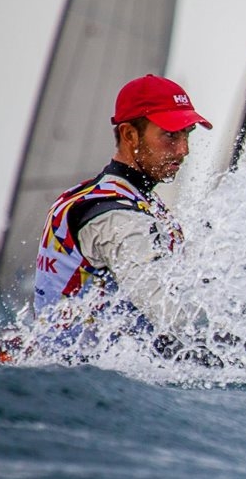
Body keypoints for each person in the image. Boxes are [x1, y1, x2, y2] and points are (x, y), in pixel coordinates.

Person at [32, 74, 213, 356]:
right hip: (87, 374)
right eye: (170, 135)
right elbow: (171, 316)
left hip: (88, 370)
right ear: (129, 135)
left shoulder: (104, 195)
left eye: (187, 134)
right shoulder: (115, 217)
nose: (184, 150)